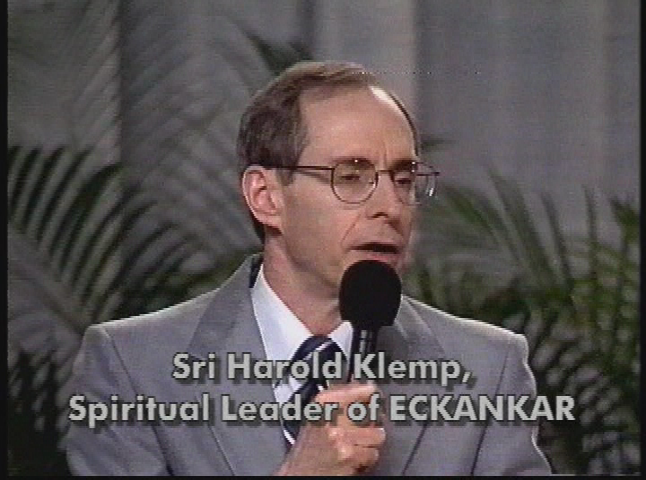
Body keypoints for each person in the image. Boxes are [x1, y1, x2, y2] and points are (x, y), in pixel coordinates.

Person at [66, 60, 552, 475]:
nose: (391, 206)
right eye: (351, 177)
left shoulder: (486, 369)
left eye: (404, 180)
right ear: (266, 197)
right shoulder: (133, 367)